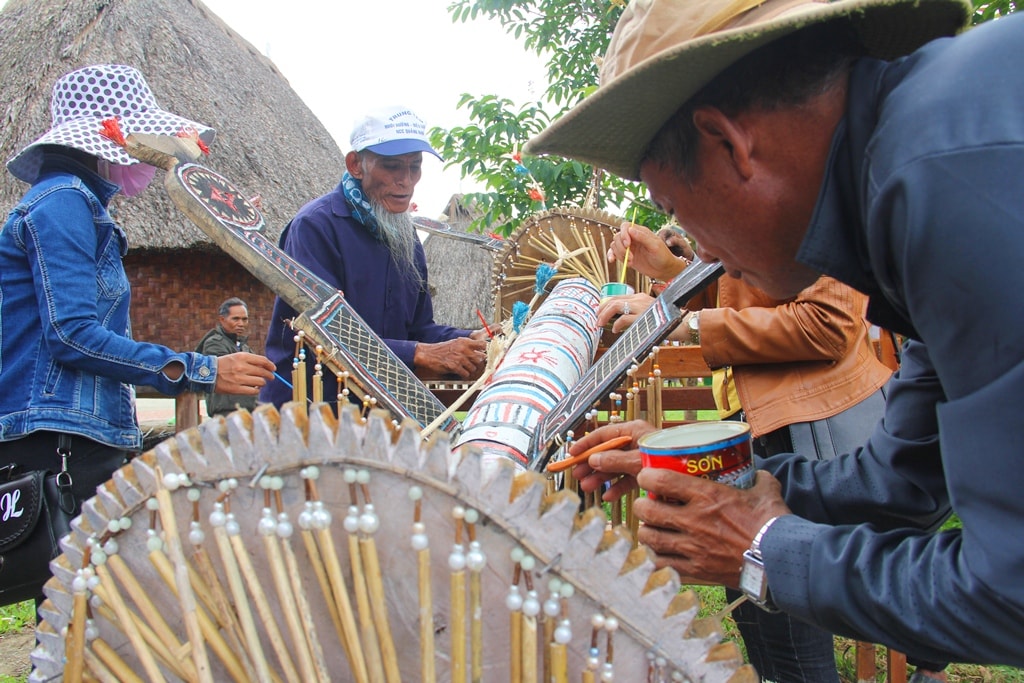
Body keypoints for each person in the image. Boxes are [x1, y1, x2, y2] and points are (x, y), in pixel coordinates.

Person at [526, 0, 1024, 672]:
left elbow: (1009, 592)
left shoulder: (940, 182)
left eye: (676, 211)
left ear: (729, 143)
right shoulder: (911, 168)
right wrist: (715, 473)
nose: (705, 255)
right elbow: (899, 483)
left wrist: (759, 548)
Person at [0, 64, 276, 605]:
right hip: (60, 439)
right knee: (82, 613)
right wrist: (201, 370)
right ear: (110, 139)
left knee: (84, 616)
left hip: (78, 432)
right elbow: (72, 335)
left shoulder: (79, 206)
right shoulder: (63, 204)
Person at [598, 223, 893, 683]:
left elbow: (827, 325)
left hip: (803, 435)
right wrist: (675, 271)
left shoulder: (809, 201)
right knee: (761, 620)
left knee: (791, 643)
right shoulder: (762, 208)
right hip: (757, 429)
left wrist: (682, 322)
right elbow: (751, 299)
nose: (688, 224)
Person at [261, 105, 488, 409]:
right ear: (356, 164)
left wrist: (474, 336)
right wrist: (420, 353)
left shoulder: (406, 237)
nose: (405, 180)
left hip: (379, 411)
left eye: (414, 166)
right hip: (308, 414)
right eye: (392, 166)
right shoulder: (315, 227)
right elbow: (324, 334)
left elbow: (419, 330)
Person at [195, 297, 258, 417]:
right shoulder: (214, 343)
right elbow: (229, 372)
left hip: (247, 411)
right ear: (222, 320)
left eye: (244, 319)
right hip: (226, 412)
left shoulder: (244, 347)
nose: (241, 324)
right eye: (236, 319)